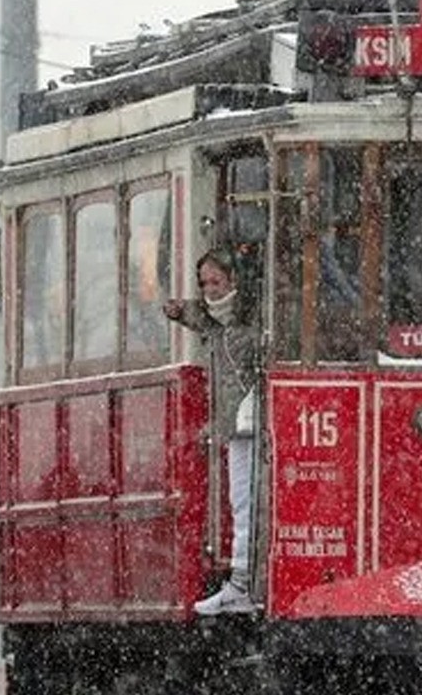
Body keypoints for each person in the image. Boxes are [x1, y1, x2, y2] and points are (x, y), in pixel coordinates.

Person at [164, 248, 259, 616]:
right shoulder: (216, 322)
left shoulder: (248, 322)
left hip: (254, 424)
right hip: (236, 425)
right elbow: (199, 314)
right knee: (241, 503)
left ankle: (244, 583)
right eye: (204, 284)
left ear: (234, 280)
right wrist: (178, 310)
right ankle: (242, 582)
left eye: (216, 282)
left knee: (248, 504)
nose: (210, 291)